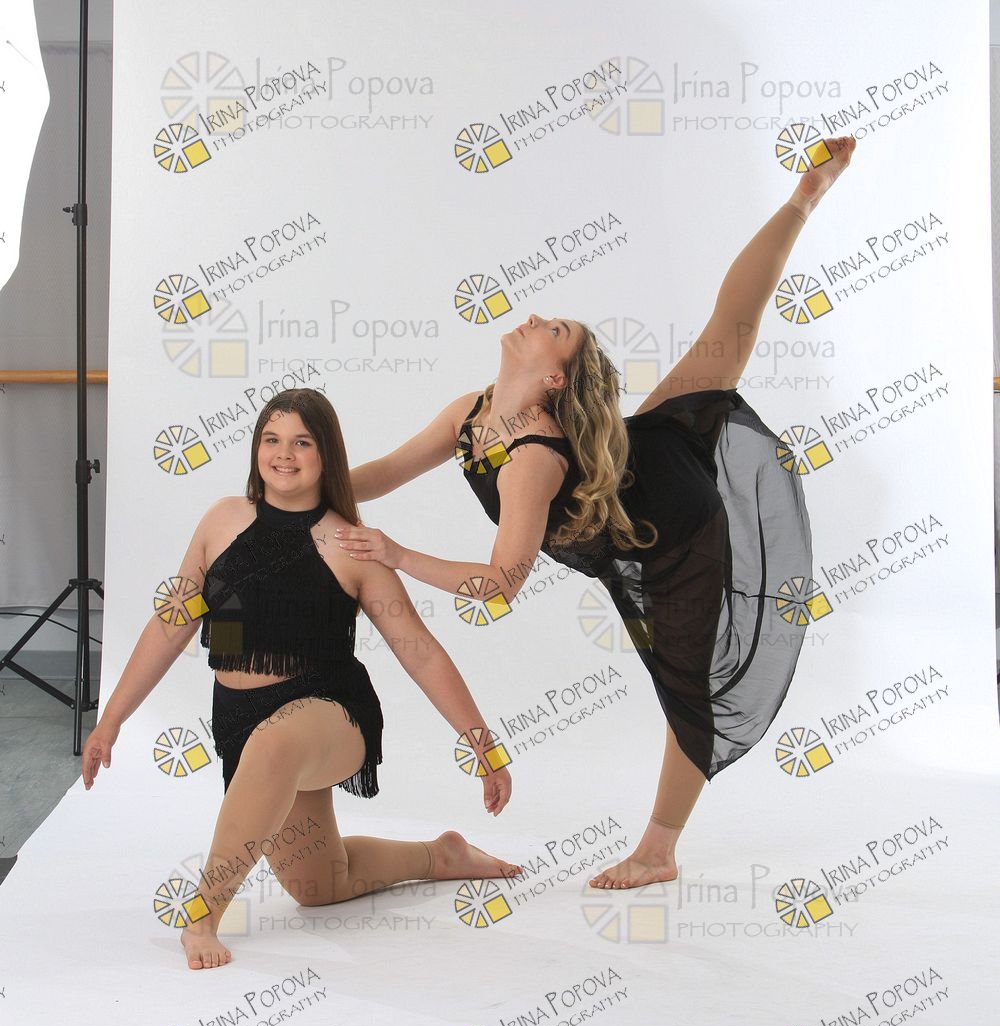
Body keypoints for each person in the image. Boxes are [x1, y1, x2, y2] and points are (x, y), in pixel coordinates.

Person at [339, 136, 856, 890]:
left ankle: (658, 851)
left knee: (688, 690)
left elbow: (500, 586)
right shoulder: (471, 412)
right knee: (728, 328)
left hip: (676, 526)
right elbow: (385, 472)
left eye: (554, 329)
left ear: (554, 378)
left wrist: (396, 554)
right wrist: (305, 491)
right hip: (642, 457)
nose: (535, 316)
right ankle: (807, 194)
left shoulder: (533, 461)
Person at [82, 389, 521, 970]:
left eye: (301, 442)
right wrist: (110, 721)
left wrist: (481, 741)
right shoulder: (221, 520)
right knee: (320, 885)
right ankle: (439, 855)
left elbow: (419, 652)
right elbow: (172, 623)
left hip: (329, 710)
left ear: (326, 454)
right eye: (271, 439)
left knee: (278, 742)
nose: (283, 454)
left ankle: (202, 916)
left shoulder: (352, 544)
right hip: (237, 719)